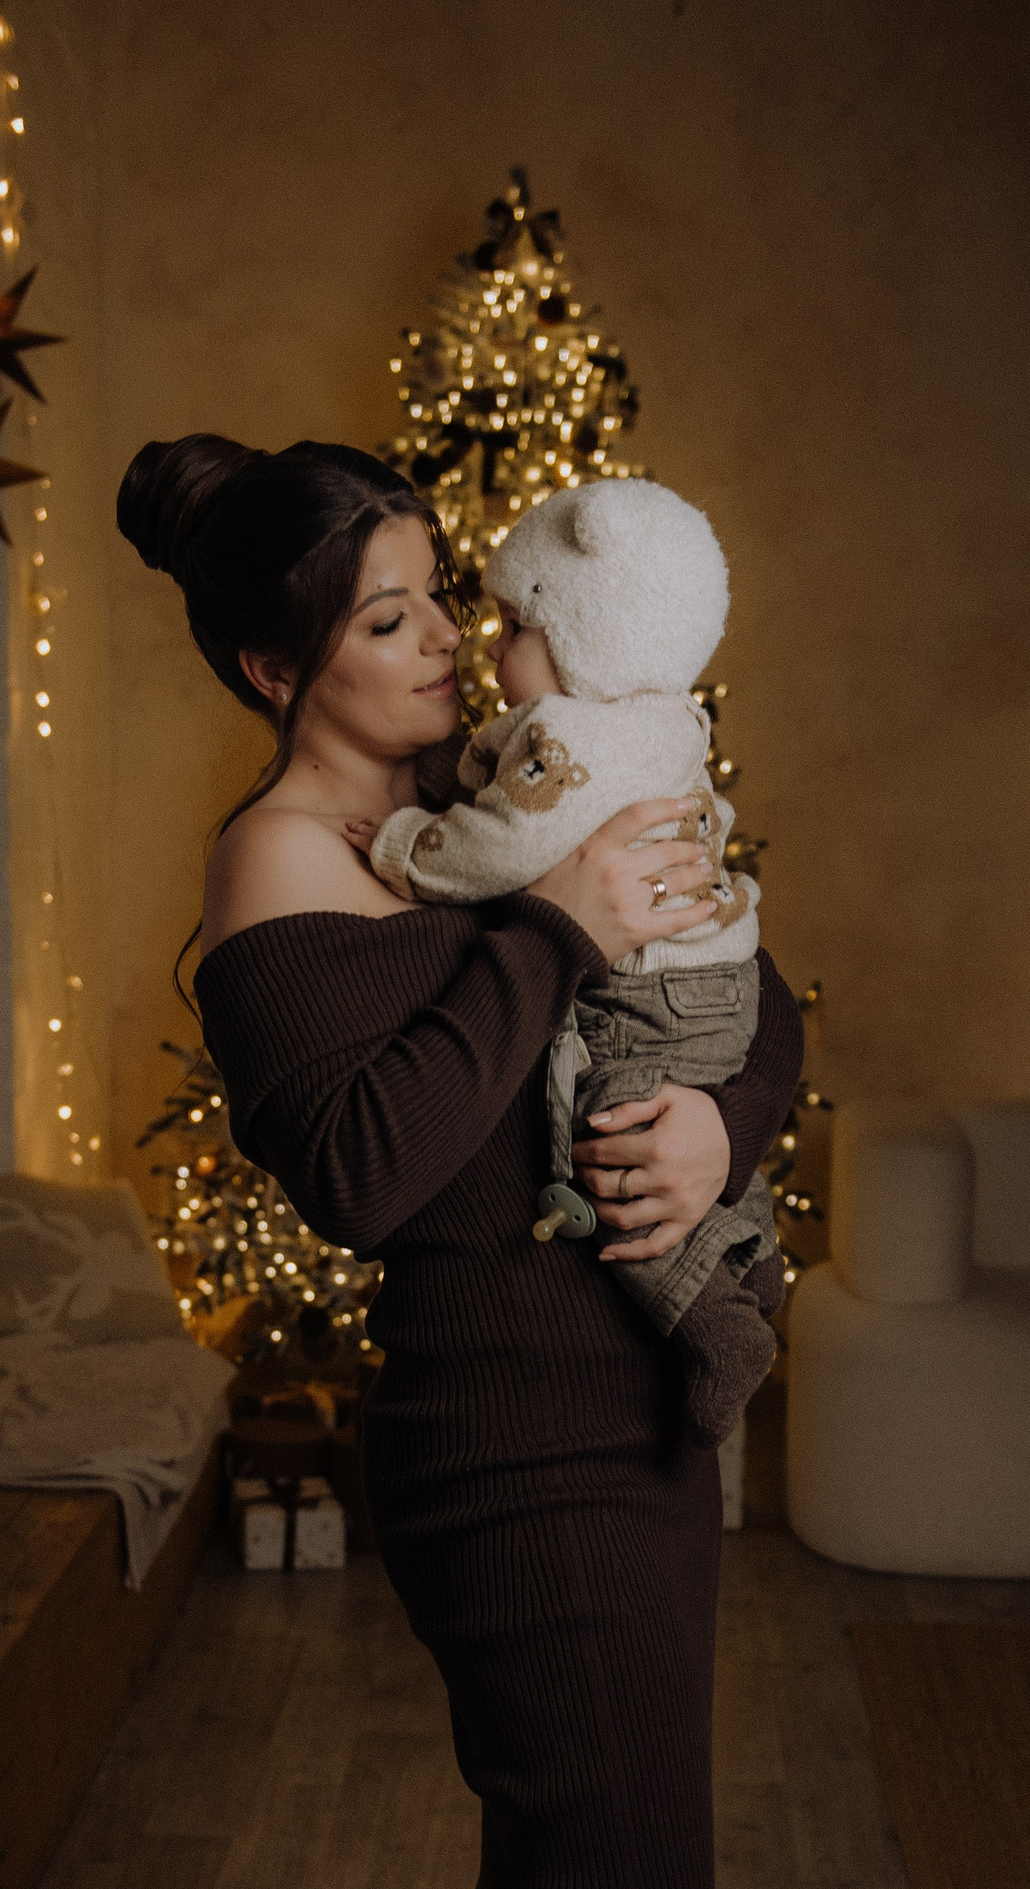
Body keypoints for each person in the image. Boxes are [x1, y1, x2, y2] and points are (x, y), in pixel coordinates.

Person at [117, 432, 803, 1889]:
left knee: (557, 1883)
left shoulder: (518, 777)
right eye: (386, 619)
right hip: (506, 1453)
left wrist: (723, 1131)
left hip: (642, 1408)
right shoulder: (278, 873)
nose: (437, 643)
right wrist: (555, 936)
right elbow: (374, 1164)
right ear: (270, 668)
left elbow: (755, 985)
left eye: (438, 596)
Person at [359, 475, 783, 1446]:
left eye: (514, 626)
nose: (483, 647)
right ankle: (752, 1245)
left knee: (617, 1145)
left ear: (588, 639)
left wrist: (401, 845)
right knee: (679, 1108)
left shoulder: (575, 735)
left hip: (654, 995)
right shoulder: (656, 716)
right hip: (718, 980)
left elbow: (499, 844)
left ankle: (715, 1324)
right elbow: (501, 777)